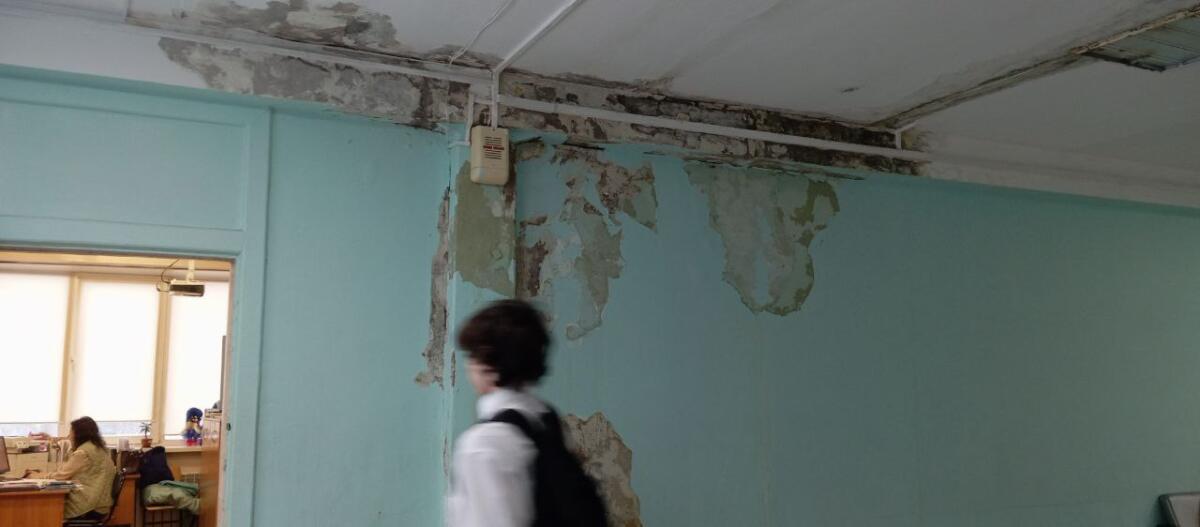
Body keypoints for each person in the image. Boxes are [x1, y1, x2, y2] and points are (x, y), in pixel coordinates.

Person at [446, 299, 605, 527]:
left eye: (472, 355)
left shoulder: (483, 444)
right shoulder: (544, 419)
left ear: (488, 363)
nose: (467, 365)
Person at [24, 416, 117, 521]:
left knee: (45, 511)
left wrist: (36, 476)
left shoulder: (83, 453)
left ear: (79, 434)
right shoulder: (98, 448)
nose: (69, 436)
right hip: (101, 505)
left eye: (71, 432)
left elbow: (61, 475)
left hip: (89, 507)